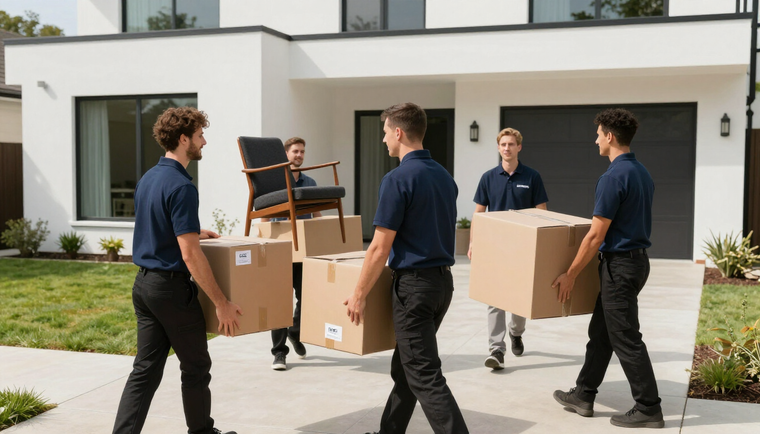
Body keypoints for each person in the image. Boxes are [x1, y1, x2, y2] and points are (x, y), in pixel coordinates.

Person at [112, 107, 242, 434]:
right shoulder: (182, 186)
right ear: (184, 139)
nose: (204, 142)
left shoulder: (150, 178)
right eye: (200, 136)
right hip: (171, 291)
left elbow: (162, 228)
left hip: (144, 287)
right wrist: (221, 302)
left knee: (145, 370)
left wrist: (194, 231)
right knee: (196, 366)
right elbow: (190, 255)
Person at [344, 102, 469, 434]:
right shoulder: (444, 177)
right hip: (441, 285)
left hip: (414, 288)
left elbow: (379, 247)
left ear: (398, 132)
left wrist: (358, 294)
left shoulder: (397, 179)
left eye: (385, 132)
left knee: (423, 373)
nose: (384, 140)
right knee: (407, 368)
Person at [552, 108, 663, 429]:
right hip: (636, 262)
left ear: (610, 137)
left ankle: (648, 408)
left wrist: (569, 274)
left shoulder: (613, 177)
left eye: (599, 133)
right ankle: (584, 394)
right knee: (601, 333)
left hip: (620, 267)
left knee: (626, 337)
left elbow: (596, 235)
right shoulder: (642, 172)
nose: (595, 139)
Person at [468, 127, 548, 370]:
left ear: (519, 147)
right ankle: (496, 349)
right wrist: (474, 242)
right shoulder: (488, 178)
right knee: (495, 298)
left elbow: (542, 213)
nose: (507, 148)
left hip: (523, 248)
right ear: (498, 147)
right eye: (503, 144)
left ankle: (516, 332)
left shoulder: (532, 177)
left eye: (511, 144)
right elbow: (478, 214)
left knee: (519, 300)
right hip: (495, 247)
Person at [261, 136, 322, 371]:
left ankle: (295, 333)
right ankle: (279, 353)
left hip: (303, 252)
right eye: (295, 151)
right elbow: (264, 216)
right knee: (280, 303)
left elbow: (317, 217)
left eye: (302, 152)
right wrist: (262, 246)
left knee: (307, 298)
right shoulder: (275, 182)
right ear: (286, 154)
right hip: (280, 251)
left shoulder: (311, 182)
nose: (299, 155)